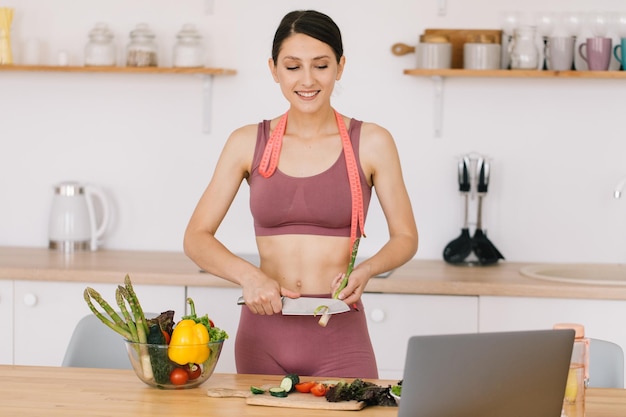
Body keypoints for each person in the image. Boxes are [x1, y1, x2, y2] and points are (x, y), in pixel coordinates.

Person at [183, 9, 418, 378]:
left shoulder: (372, 142)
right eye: (292, 67)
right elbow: (196, 238)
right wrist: (250, 277)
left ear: (340, 67)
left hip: (340, 334)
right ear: (273, 69)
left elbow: (406, 237)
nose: (307, 80)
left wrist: (367, 269)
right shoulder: (247, 142)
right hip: (262, 336)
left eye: (321, 65)